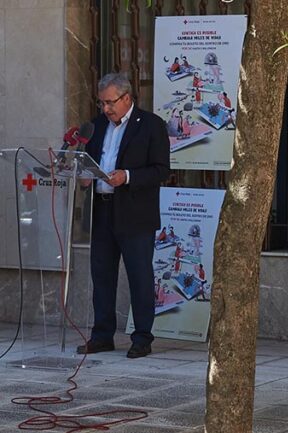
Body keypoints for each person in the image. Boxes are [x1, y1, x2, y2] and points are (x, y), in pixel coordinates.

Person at [77, 73, 170, 359]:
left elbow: (161, 170)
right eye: (102, 102)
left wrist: (127, 176)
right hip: (103, 209)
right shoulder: (95, 125)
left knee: (139, 276)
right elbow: (88, 161)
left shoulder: (152, 125)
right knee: (102, 275)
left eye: (110, 102)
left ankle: (142, 338)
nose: (105, 108)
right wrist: (83, 175)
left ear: (127, 98)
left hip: (134, 212)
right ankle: (102, 335)